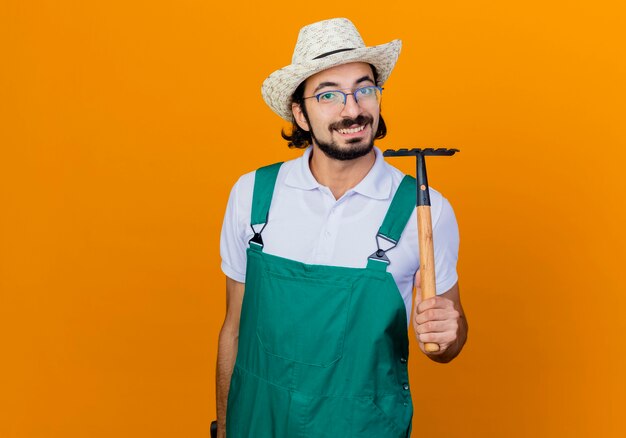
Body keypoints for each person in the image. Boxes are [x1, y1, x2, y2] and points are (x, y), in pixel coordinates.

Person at [216, 17, 467, 438]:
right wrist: (224, 428)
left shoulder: (426, 211)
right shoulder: (252, 195)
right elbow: (233, 328)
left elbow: (446, 345)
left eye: (364, 89)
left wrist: (448, 332)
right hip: (258, 426)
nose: (352, 110)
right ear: (299, 112)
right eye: (328, 94)